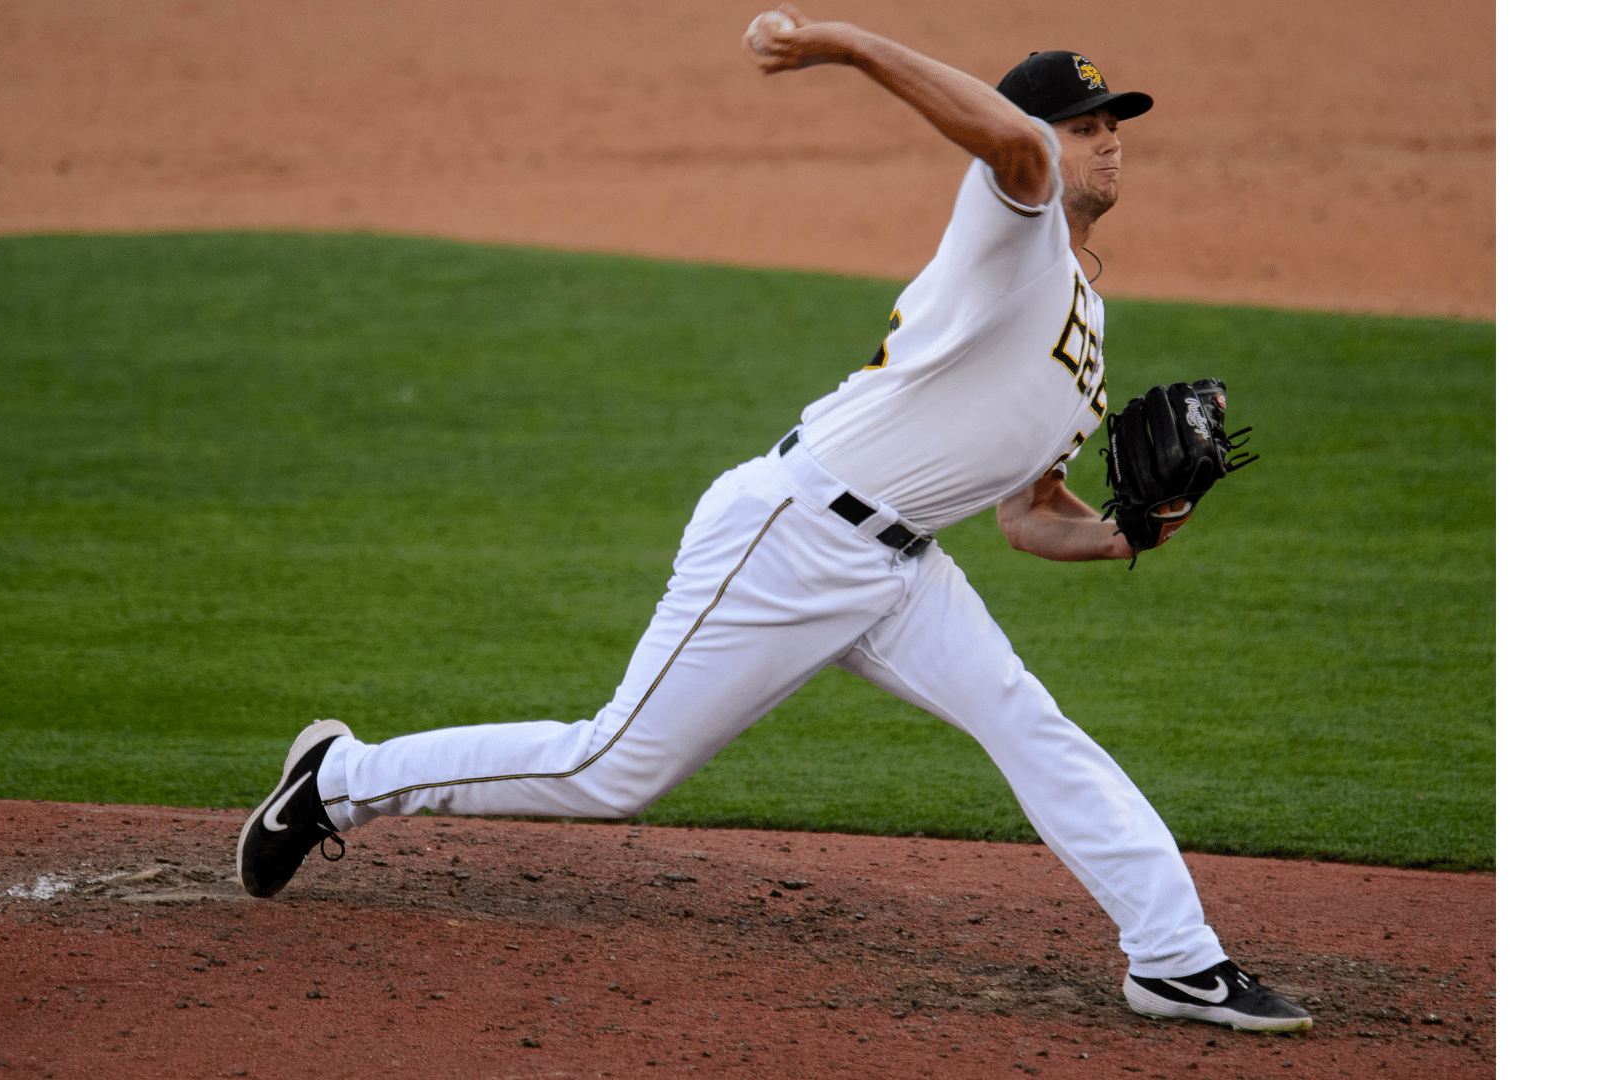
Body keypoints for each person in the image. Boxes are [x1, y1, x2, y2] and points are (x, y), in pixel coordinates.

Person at [236, 6, 1311, 1033]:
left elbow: (1029, 517)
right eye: (1085, 125)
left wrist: (1126, 534)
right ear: (1037, 138)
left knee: (1031, 726)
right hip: (791, 534)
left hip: (902, 572)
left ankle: (1177, 960)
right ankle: (338, 781)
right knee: (612, 771)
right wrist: (841, 44)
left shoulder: (1085, 343)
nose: (1108, 142)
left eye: (1114, 125)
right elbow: (1002, 138)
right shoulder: (1014, 218)